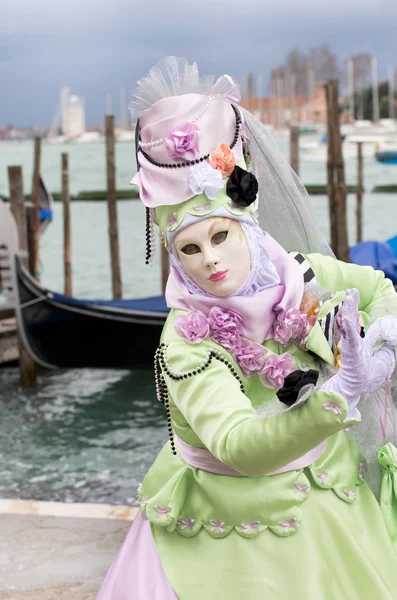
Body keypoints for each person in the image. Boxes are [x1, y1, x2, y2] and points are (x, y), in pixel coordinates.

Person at [97, 57, 397, 600]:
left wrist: (380, 340)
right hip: (234, 518)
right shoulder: (187, 339)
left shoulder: (299, 273)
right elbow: (238, 444)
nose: (210, 261)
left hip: (332, 492)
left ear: (247, 225)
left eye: (221, 237)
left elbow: (379, 287)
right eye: (189, 248)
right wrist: (338, 395)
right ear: (173, 256)